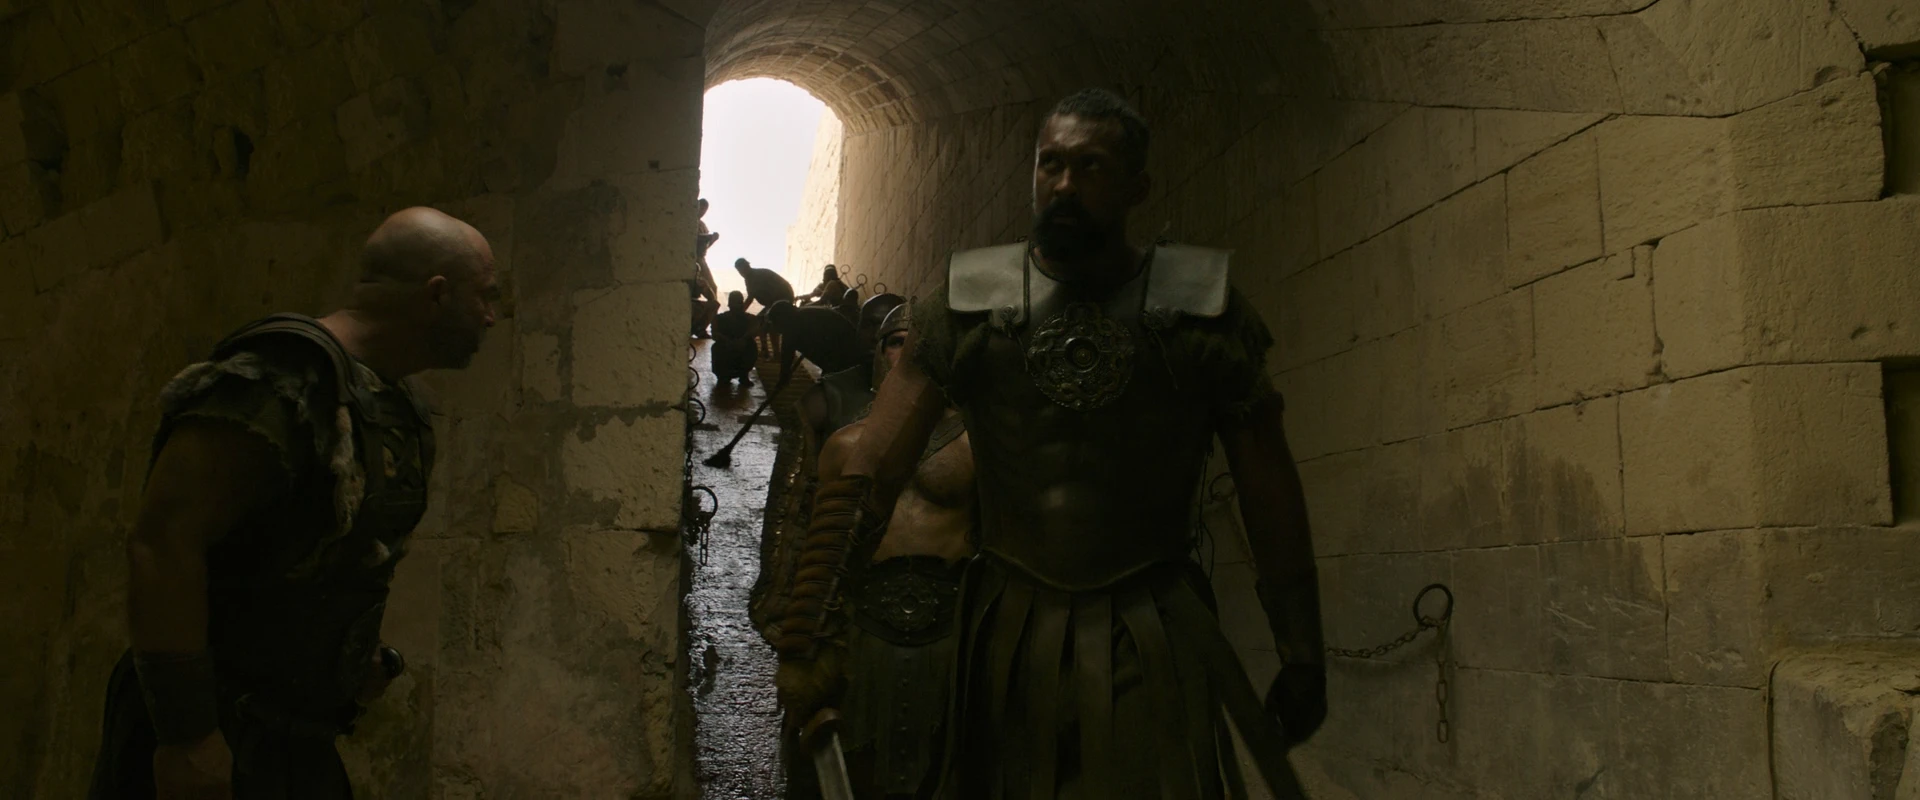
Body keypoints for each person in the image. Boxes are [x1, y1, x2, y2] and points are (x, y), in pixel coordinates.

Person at [771, 89, 1322, 799]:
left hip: (1154, 626)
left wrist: (1302, 650)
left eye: (1090, 167)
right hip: (1006, 626)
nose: (1063, 185)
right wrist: (812, 629)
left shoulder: (1201, 311)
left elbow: (1267, 486)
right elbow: (872, 464)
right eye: (1050, 164)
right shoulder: (967, 305)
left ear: (1137, 187)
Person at [88, 208, 499, 799]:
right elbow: (163, 542)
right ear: (436, 295)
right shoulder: (280, 380)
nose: (491, 316)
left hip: (293, 738)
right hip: (216, 729)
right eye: (485, 295)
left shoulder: (389, 401)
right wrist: (186, 737)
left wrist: (347, 662)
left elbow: (315, 562)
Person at [775, 305, 977, 799]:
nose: (908, 352)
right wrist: (801, 642)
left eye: (919, 342)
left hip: (949, 623)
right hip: (863, 622)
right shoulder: (846, 444)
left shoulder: (980, 443)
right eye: (895, 341)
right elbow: (808, 545)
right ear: (879, 353)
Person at [764, 300, 865, 388]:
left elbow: (787, 355)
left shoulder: (793, 325)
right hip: (851, 345)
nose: (775, 329)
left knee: (832, 382)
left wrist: (783, 378)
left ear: (781, 320)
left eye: (775, 324)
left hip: (845, 351)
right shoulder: (802, 314)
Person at [711, 291, 760, 387]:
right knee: (717, 348)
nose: (736, 306)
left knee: (751, 346)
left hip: (742, 345)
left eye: (738, 303)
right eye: (735, 303)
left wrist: (742, 339)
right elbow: (715, 334)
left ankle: (743, 375)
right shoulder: (719, 318)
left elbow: (754, 331)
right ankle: (725, 375)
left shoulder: (750, 319)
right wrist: (728, 341)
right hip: (726, 347)